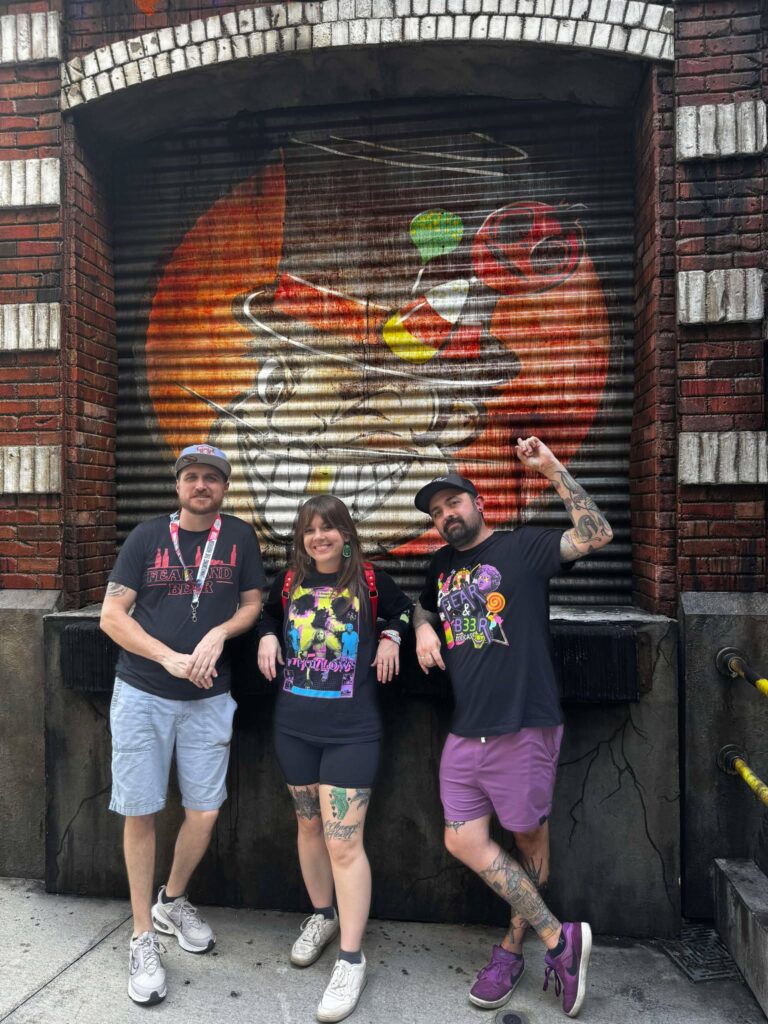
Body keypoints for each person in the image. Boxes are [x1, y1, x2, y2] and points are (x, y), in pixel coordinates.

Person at [413, 436, 614, 1019]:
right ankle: (561, 938)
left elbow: (598, 535)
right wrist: (424, 628)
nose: (446, 516)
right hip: (465, 731)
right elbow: (427, 604)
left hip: (524, 726)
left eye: (454, 503)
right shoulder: (442, 565)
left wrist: (552, 468)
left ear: (479, 503)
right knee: (462, 840)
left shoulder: (523, 547)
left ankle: (512, 948)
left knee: (528, 839)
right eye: (436, 512)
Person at [100, 443, 265, 1006]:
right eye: (192, 477)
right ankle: (142, 935)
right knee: (141, 811)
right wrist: (166, 657)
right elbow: (111, 616)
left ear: (223, 488)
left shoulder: (239, 538)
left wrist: (221, 633)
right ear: (177, 486)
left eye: (212, 479)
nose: (202, 486)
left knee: (205, 810)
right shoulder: (146, 537)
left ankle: (173, 900)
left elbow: (250, 605)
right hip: (143, 694)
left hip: (209, 697)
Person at [257, 494, 412, 1023]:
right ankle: (321, 916)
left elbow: (409, 609)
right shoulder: (286, 583)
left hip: (353, 733)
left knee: (343, 842)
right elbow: (260, 615)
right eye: (309, 530)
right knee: (307, 829)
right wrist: (261, 637)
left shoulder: (370, 581)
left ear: (346, 533)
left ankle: (351, 956)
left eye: (328, 528)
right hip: (293, 729)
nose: (318, 537)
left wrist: (393, 633)